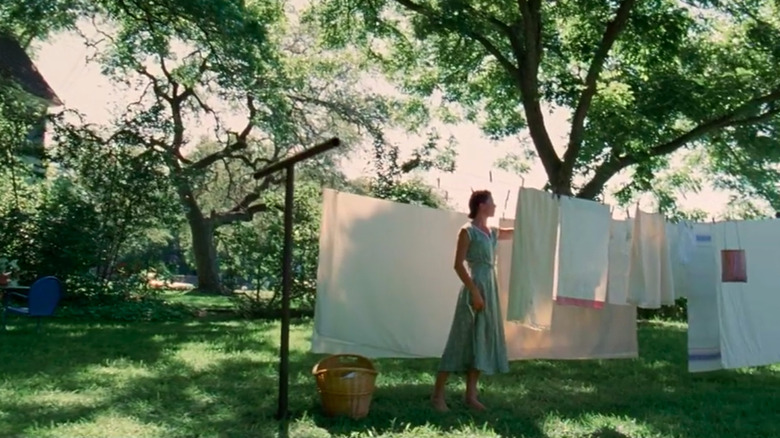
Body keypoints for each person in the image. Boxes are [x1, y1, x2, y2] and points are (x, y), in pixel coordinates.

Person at [431, 190, 514, 412]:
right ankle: (438, 396)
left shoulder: (491, 232)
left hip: (490, 288)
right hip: (474, 287)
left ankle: (471, 395)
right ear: (481, 205)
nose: (495, 206)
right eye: (492, 202)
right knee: (460, 339)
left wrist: (540, 218)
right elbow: (458, 264)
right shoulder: (467, 232)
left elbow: (516, 233)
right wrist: (475, 292)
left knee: (482, 338)